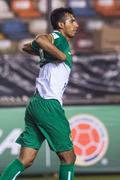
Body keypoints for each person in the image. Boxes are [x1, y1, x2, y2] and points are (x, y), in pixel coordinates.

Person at [0, 7, 78, 180]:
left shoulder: (56, 43)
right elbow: (40, 39)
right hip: (49, 105)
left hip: (36, 104)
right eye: (71, 21)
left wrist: (43, 51)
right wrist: (60, 56)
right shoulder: (59, 38)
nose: (76, 24)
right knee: (68, 158)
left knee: (25, 159)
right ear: (60, 24)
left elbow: (26, 46)